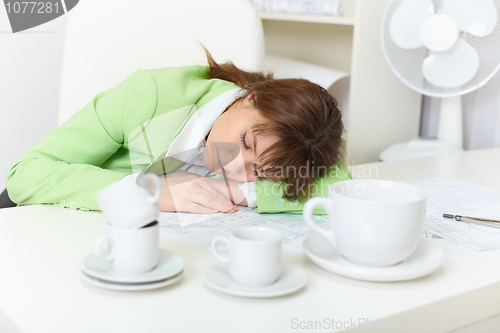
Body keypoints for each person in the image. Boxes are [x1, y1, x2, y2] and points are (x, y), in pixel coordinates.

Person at [5, 48, 352, 214]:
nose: (233, 167)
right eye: (246, 142)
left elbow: (343, 189)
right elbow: (26, 175)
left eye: (258, 170)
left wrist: (241, 193)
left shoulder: (283, 148)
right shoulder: (150, 94)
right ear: (251, 97)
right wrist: (148, 191)